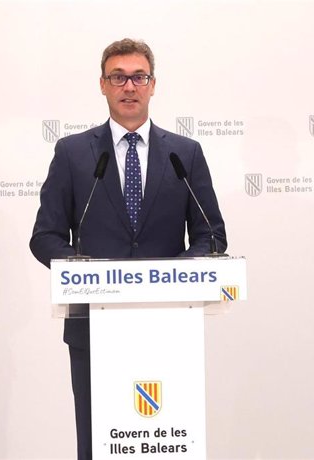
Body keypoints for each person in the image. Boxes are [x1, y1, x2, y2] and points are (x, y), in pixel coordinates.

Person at [29, 38, 227, 460]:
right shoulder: (73, 154)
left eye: (139, 76)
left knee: (167, 442)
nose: (129, 86)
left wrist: (169, 277)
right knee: (99, 443)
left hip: (169, 327)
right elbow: (44, 236)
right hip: (93, 330)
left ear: (154, 85)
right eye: (118, 77)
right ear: (102, 85)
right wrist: (85, 268)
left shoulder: (184, 154)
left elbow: (212, 235)